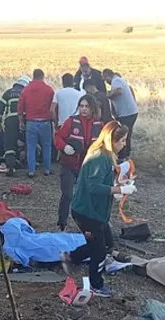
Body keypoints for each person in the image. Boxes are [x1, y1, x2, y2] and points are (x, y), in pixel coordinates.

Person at [61, 121, 136, 298]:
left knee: (106, 243)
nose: (124, 144)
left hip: (96, 211)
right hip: (87, 212)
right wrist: (118, 190)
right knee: (99, 250)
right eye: (123, 140)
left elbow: (102, 182)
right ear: (113, 140)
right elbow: (94, 187)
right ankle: (96, 284)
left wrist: (119, 185)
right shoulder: (100, 158)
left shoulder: (106, 156)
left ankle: (70, 256)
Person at [54, 94, 103, 231]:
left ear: (92, 108)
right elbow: (58, 137)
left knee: (87, 195)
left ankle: (88, 225)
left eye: (87, 106)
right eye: (81, 106)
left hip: (87, 167)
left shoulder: (99, 125)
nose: (84, 109)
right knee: (67, 194)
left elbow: (105, 144)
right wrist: (64, 147)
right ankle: (61, 223)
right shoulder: (71, 121)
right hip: (69, 164)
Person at [18, 69, 55, 177]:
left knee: (31, 147)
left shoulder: (26, 90)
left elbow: (20, 107)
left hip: (31, 122)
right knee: (47, 146)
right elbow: (52, 106)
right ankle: (47, 169)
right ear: (43, 76)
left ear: (33, 76)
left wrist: (21, 121)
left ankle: (31, 171)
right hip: (45, 122)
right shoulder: (49, 90)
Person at [0, 76, 30, 176]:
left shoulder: (8, 93)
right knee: (25, 142)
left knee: (9, 144)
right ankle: (27, 163)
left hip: (10, 122)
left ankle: (11, 166)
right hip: (23, 121)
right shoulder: (27, 93)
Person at [103, 68, 138, 161]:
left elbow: (119, 91)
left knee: (122, 134)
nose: (106, 82)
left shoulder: (116, 80)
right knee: (127, 133)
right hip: (131, 112)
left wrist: (108, 96)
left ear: (107, 76)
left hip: (127, 114)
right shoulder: (120, 80)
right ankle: (126, 155)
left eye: (105, 79)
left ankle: (123, 157)